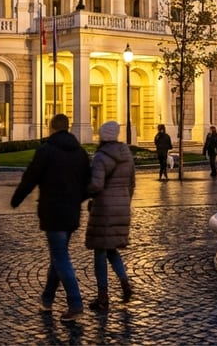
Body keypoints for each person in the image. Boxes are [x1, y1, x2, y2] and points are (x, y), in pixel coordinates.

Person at [11, 113, 91, 322]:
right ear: (68, 128)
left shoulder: (46, 150)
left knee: (60, 257)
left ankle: (75, 304)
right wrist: (77, 199)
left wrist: (16, 199)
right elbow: (88, 183)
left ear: (52, 128)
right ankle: (47, 299)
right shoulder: (80, 152)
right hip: (72, 212)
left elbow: (30, 177)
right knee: (58, 255)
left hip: (53, 211)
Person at [86, 121, 135, 311]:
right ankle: (125, 284)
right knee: (112, 249)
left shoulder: (101, 156)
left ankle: (102, 297)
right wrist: (125, 201)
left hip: (104, 210)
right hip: (122, 207)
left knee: (100, 252)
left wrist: (84, 191)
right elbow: (131, 184)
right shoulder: (127, 155)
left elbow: (96, 185)